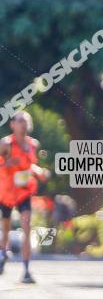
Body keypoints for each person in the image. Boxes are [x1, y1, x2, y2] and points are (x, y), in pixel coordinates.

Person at [0, 111, 51, 283]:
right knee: (6, 229)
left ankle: (27, 269)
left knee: (26, 227)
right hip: (6, 192)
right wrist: (6, 163)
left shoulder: (32, 145)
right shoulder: (6, 144)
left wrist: (40, 172)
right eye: (19, 121)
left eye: (25, 121)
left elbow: (31, 165)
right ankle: (2, 253)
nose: (23, 124)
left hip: (23, 191)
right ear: (12, 125)